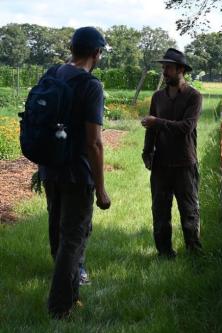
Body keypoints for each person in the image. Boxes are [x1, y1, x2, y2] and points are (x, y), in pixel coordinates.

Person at [38, 26, 111, 319]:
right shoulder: (91, 86)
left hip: (49, 168)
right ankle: (59, 307)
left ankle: (70, 293)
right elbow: (94, 142)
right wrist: (102, 189)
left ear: (72, 49)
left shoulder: (53, 73)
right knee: (74, 238)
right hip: (77, 173)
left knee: (58, 230)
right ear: (96, 53)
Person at [141, 48, 202, 259]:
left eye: (168, 67)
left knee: (189, 211)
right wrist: (147, 152)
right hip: (161, 165)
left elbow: (186, 127)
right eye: (163, 67)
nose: (164, 71)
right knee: (160, 213)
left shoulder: (194, 96)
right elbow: (151, 128)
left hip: (185, 163)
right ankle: (165, 254)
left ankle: (194, 253)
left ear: (181, 70)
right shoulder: (158, 97)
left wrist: (157, 122)